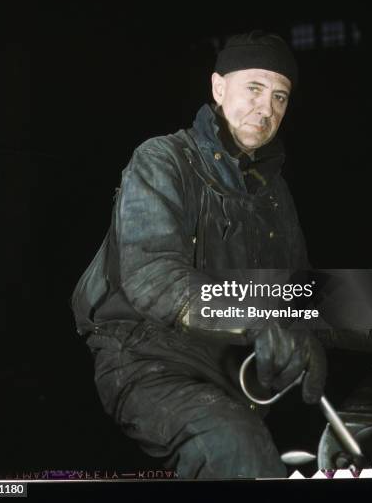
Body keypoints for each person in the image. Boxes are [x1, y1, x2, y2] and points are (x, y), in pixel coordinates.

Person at [71, 30, 329, 479]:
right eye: (254, 88)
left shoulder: (274, 192)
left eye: (280, 97)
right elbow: (153, 276)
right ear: (218, 87)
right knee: (236, 447)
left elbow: (296, 292)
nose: (266, 109)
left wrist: (311, 337)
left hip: (233, 369)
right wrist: (255, 318)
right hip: (148, 360)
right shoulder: (162, 159)